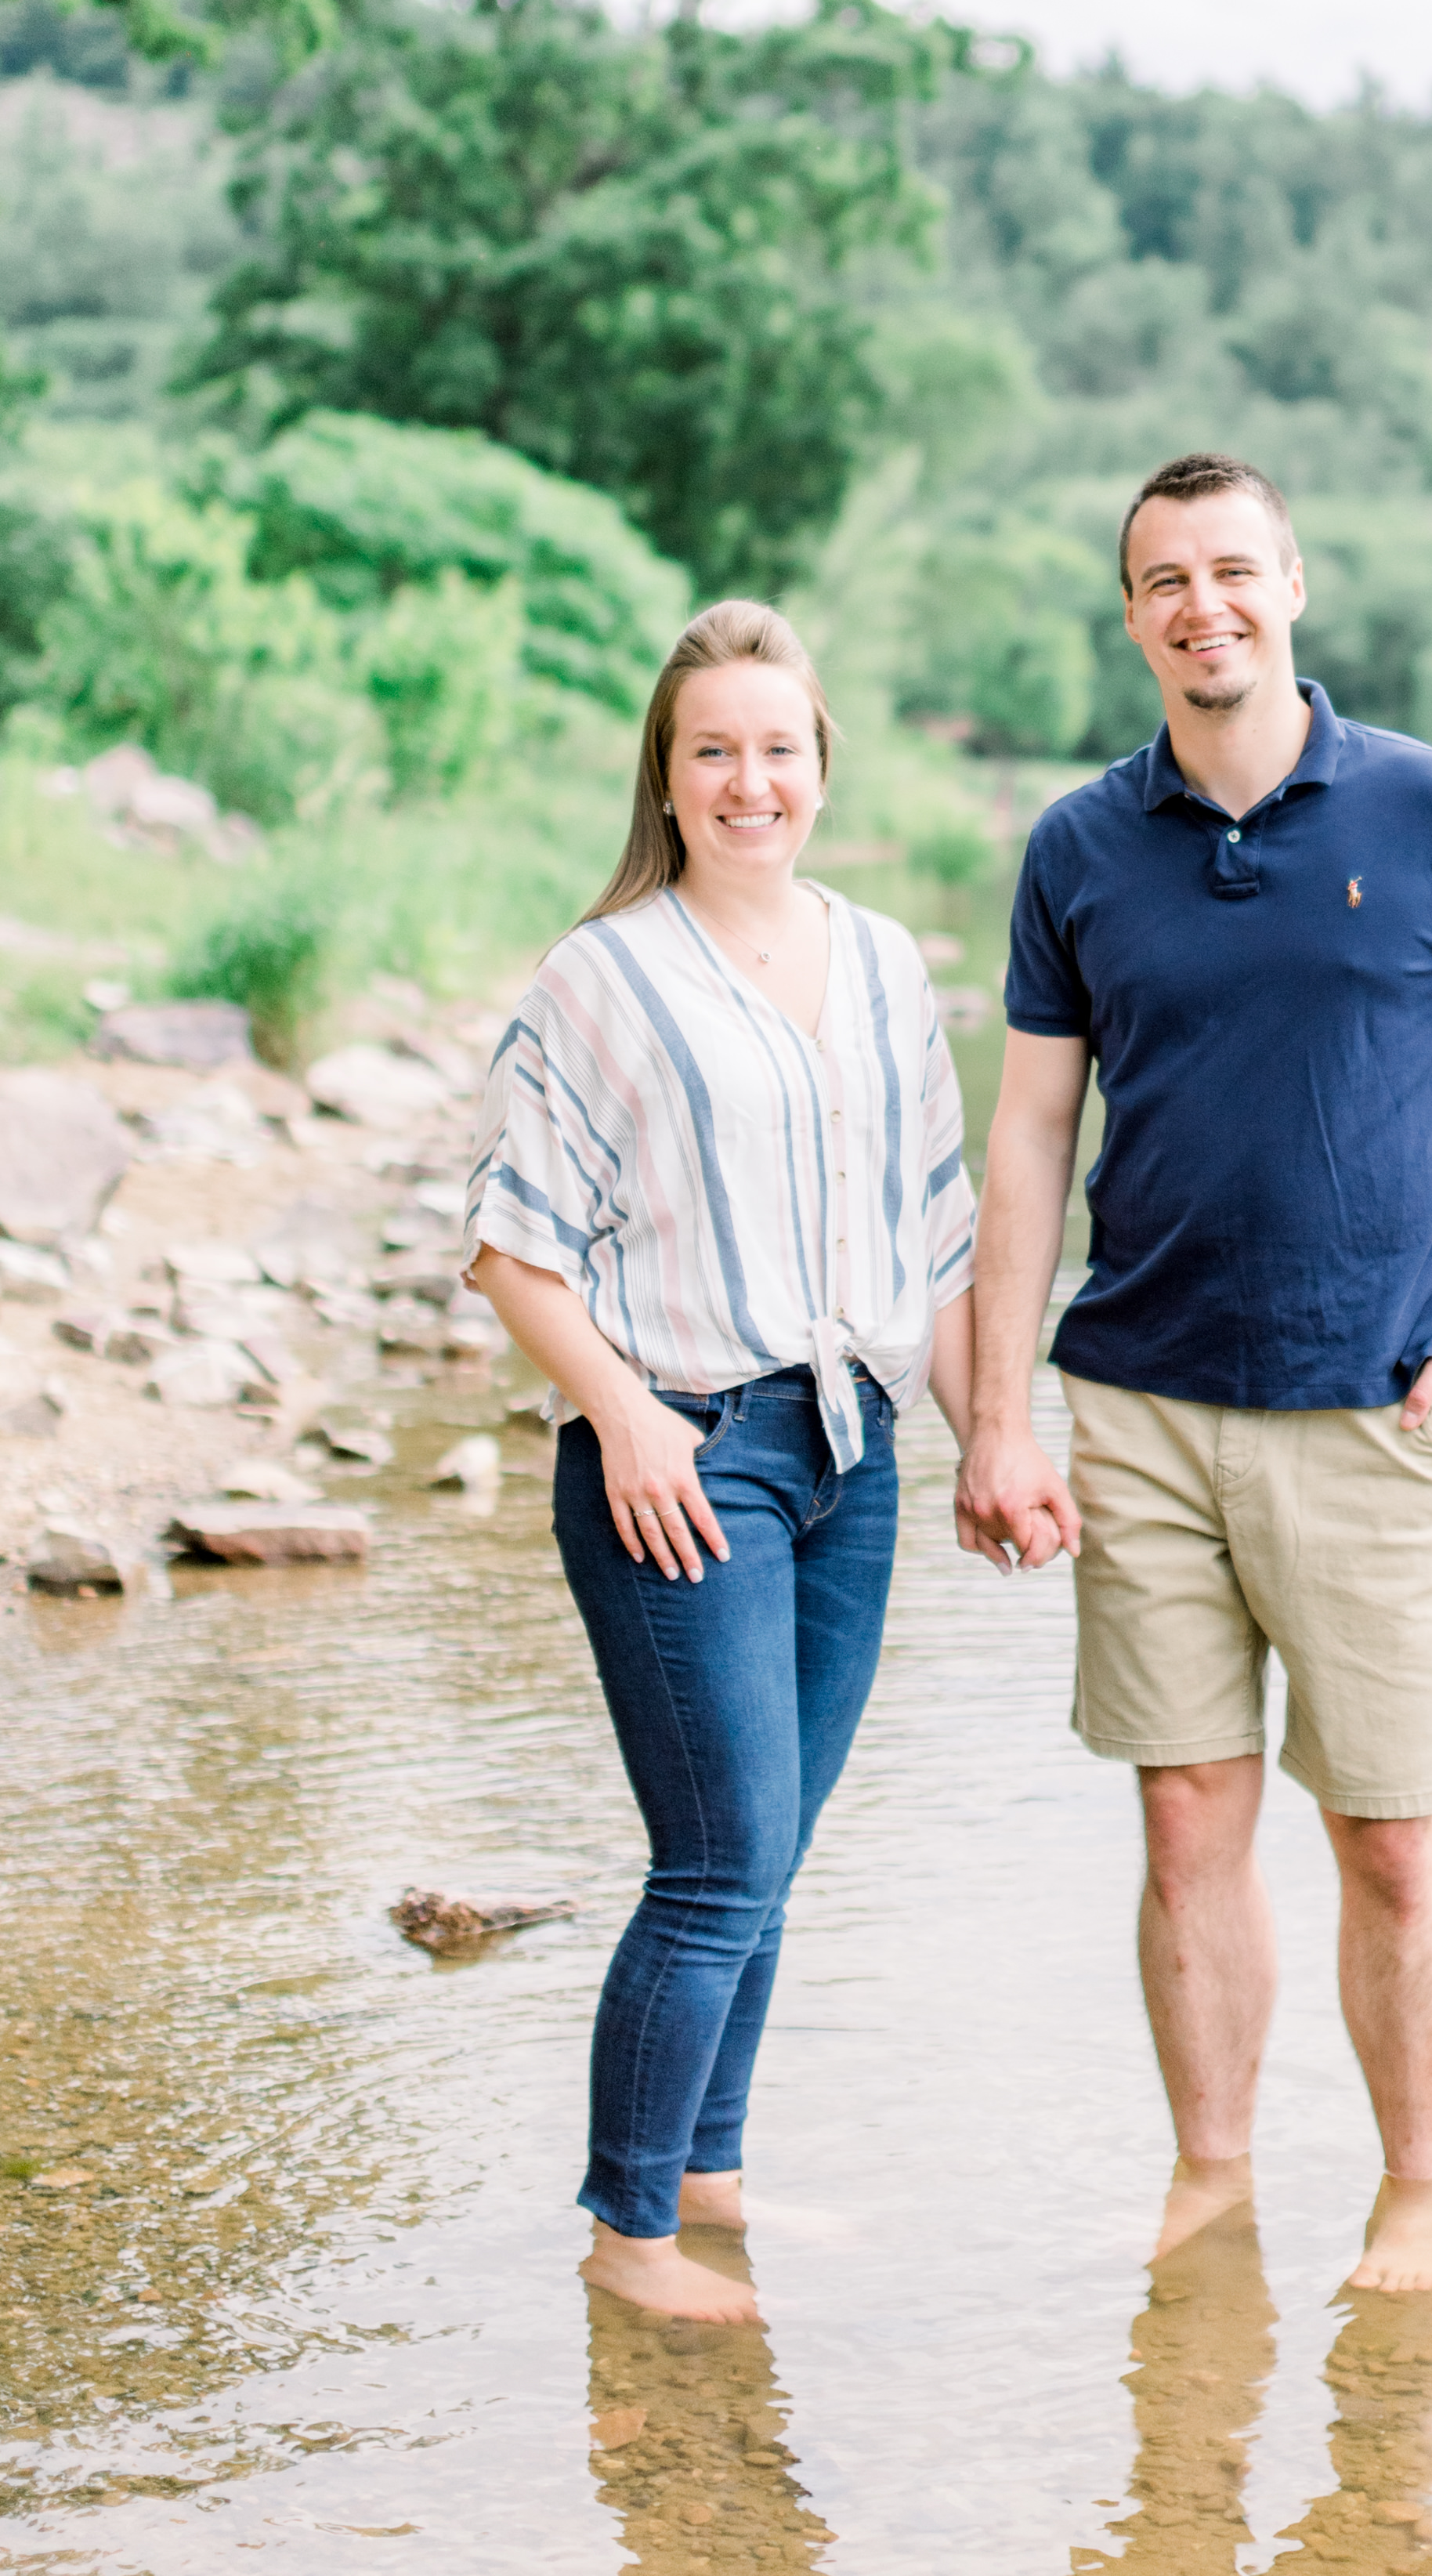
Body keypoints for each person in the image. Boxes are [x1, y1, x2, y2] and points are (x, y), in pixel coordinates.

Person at [956, 453, 1432, 2293]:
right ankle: (1213, 2183)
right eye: (1163, 579)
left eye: (1232, 570)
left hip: (1376, 1405)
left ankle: (1417, 2196)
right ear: (1134, 612)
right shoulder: (1079, 845)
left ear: (1292, 584)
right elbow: (1027, 1136)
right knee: (1183, 1821)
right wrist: (999, 1414)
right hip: (1140, 1402)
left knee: (1389, 1843)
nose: (1199, 605)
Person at [464, 598, 978, 2327]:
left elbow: (942, 1238)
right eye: (713, 752)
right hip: (681, 1454)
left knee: (775, 1849)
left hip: (855, 1454)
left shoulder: (888, 961)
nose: (748, 780)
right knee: (717, 1855)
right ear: (668, 781)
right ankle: (625, 2238)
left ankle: (707, 2179)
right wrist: (624, 1416)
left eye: (777, 747)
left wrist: (1001, 1447)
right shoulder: (600, 975)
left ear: (820, 763)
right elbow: (512, 1247)